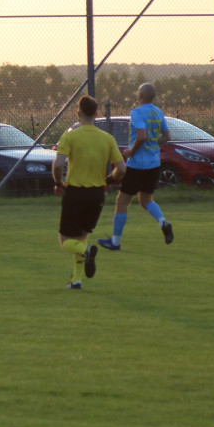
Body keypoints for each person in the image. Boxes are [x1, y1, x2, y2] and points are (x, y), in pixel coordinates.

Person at [53, 96, 126, 290]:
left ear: (78, 113)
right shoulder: (107, 139)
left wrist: (58, 182)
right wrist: (108, 180)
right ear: (96, 114)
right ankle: (76, 281)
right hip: (96, 195)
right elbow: (122, 168)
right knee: (82, 235)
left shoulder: (70, 136)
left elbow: (58, 164)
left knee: (66, 241)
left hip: (75, 192)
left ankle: (87, 251)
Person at [98, 83, 173, 251]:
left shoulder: (137, 112)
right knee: (145, 199)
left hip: (138, 165)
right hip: (154, 163)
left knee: (122, 201)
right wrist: (152, 143)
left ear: (140, 95)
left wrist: (131, 150)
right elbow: (167, 136)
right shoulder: (158, 112)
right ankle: (163, 222)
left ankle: (115, 242)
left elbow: (141, 135)